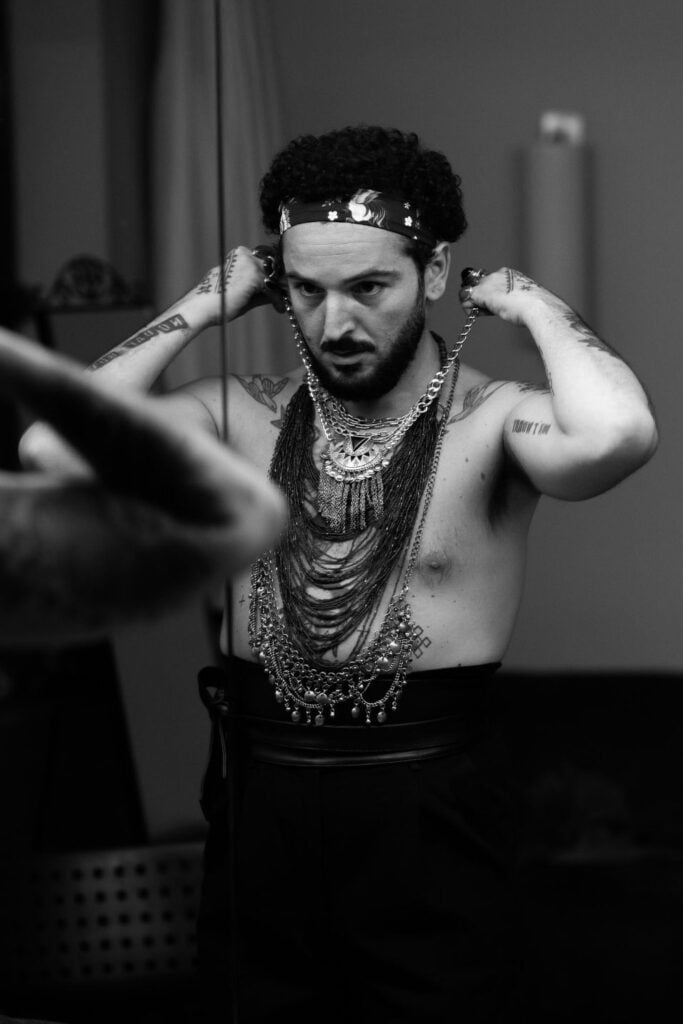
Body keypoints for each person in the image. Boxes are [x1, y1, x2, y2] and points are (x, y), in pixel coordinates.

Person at [20, 125, 658, 1022]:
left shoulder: (493, 421)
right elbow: (53, 446)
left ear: (432, 274)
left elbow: (616, 434)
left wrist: (536, 306)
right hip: (260, 797)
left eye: (367, 288)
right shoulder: (237, 417)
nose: (335, 325)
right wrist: (200, 306)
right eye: (306, 290)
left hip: (427, 808)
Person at [0, 326, 284, 644]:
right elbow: (51, 450)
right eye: (309, 296)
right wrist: (201, 306)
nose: (328, 329)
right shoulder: (238, 402)